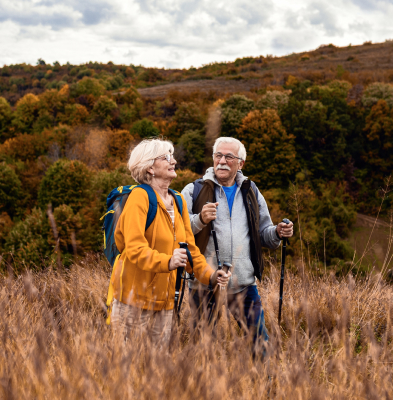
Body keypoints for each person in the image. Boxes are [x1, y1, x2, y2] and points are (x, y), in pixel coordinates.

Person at [108, 138, 230, 350]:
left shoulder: (178, 201)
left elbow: (190, 251)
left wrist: (211, 275)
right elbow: (134, 249)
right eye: (166, 157)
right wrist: (168, 261)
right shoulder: (139, 197)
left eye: (172, 156)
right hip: (133, 302)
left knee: (156, 371)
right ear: (149, 168)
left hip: (165, 304)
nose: (173, 161)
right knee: (127, 372)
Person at [181, 136, 293, 358]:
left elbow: (265, 234)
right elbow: (180, 234)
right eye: (218, 156)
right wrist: (200, 219)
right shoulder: (193, 190)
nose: (222, 161)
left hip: (243, 283)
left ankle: (267, 388)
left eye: (229, 157)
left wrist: (278, 232)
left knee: (260, 343)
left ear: (240, 163)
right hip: (204, 282)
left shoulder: (250, 191)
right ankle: (203, 389)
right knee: (202, 347)